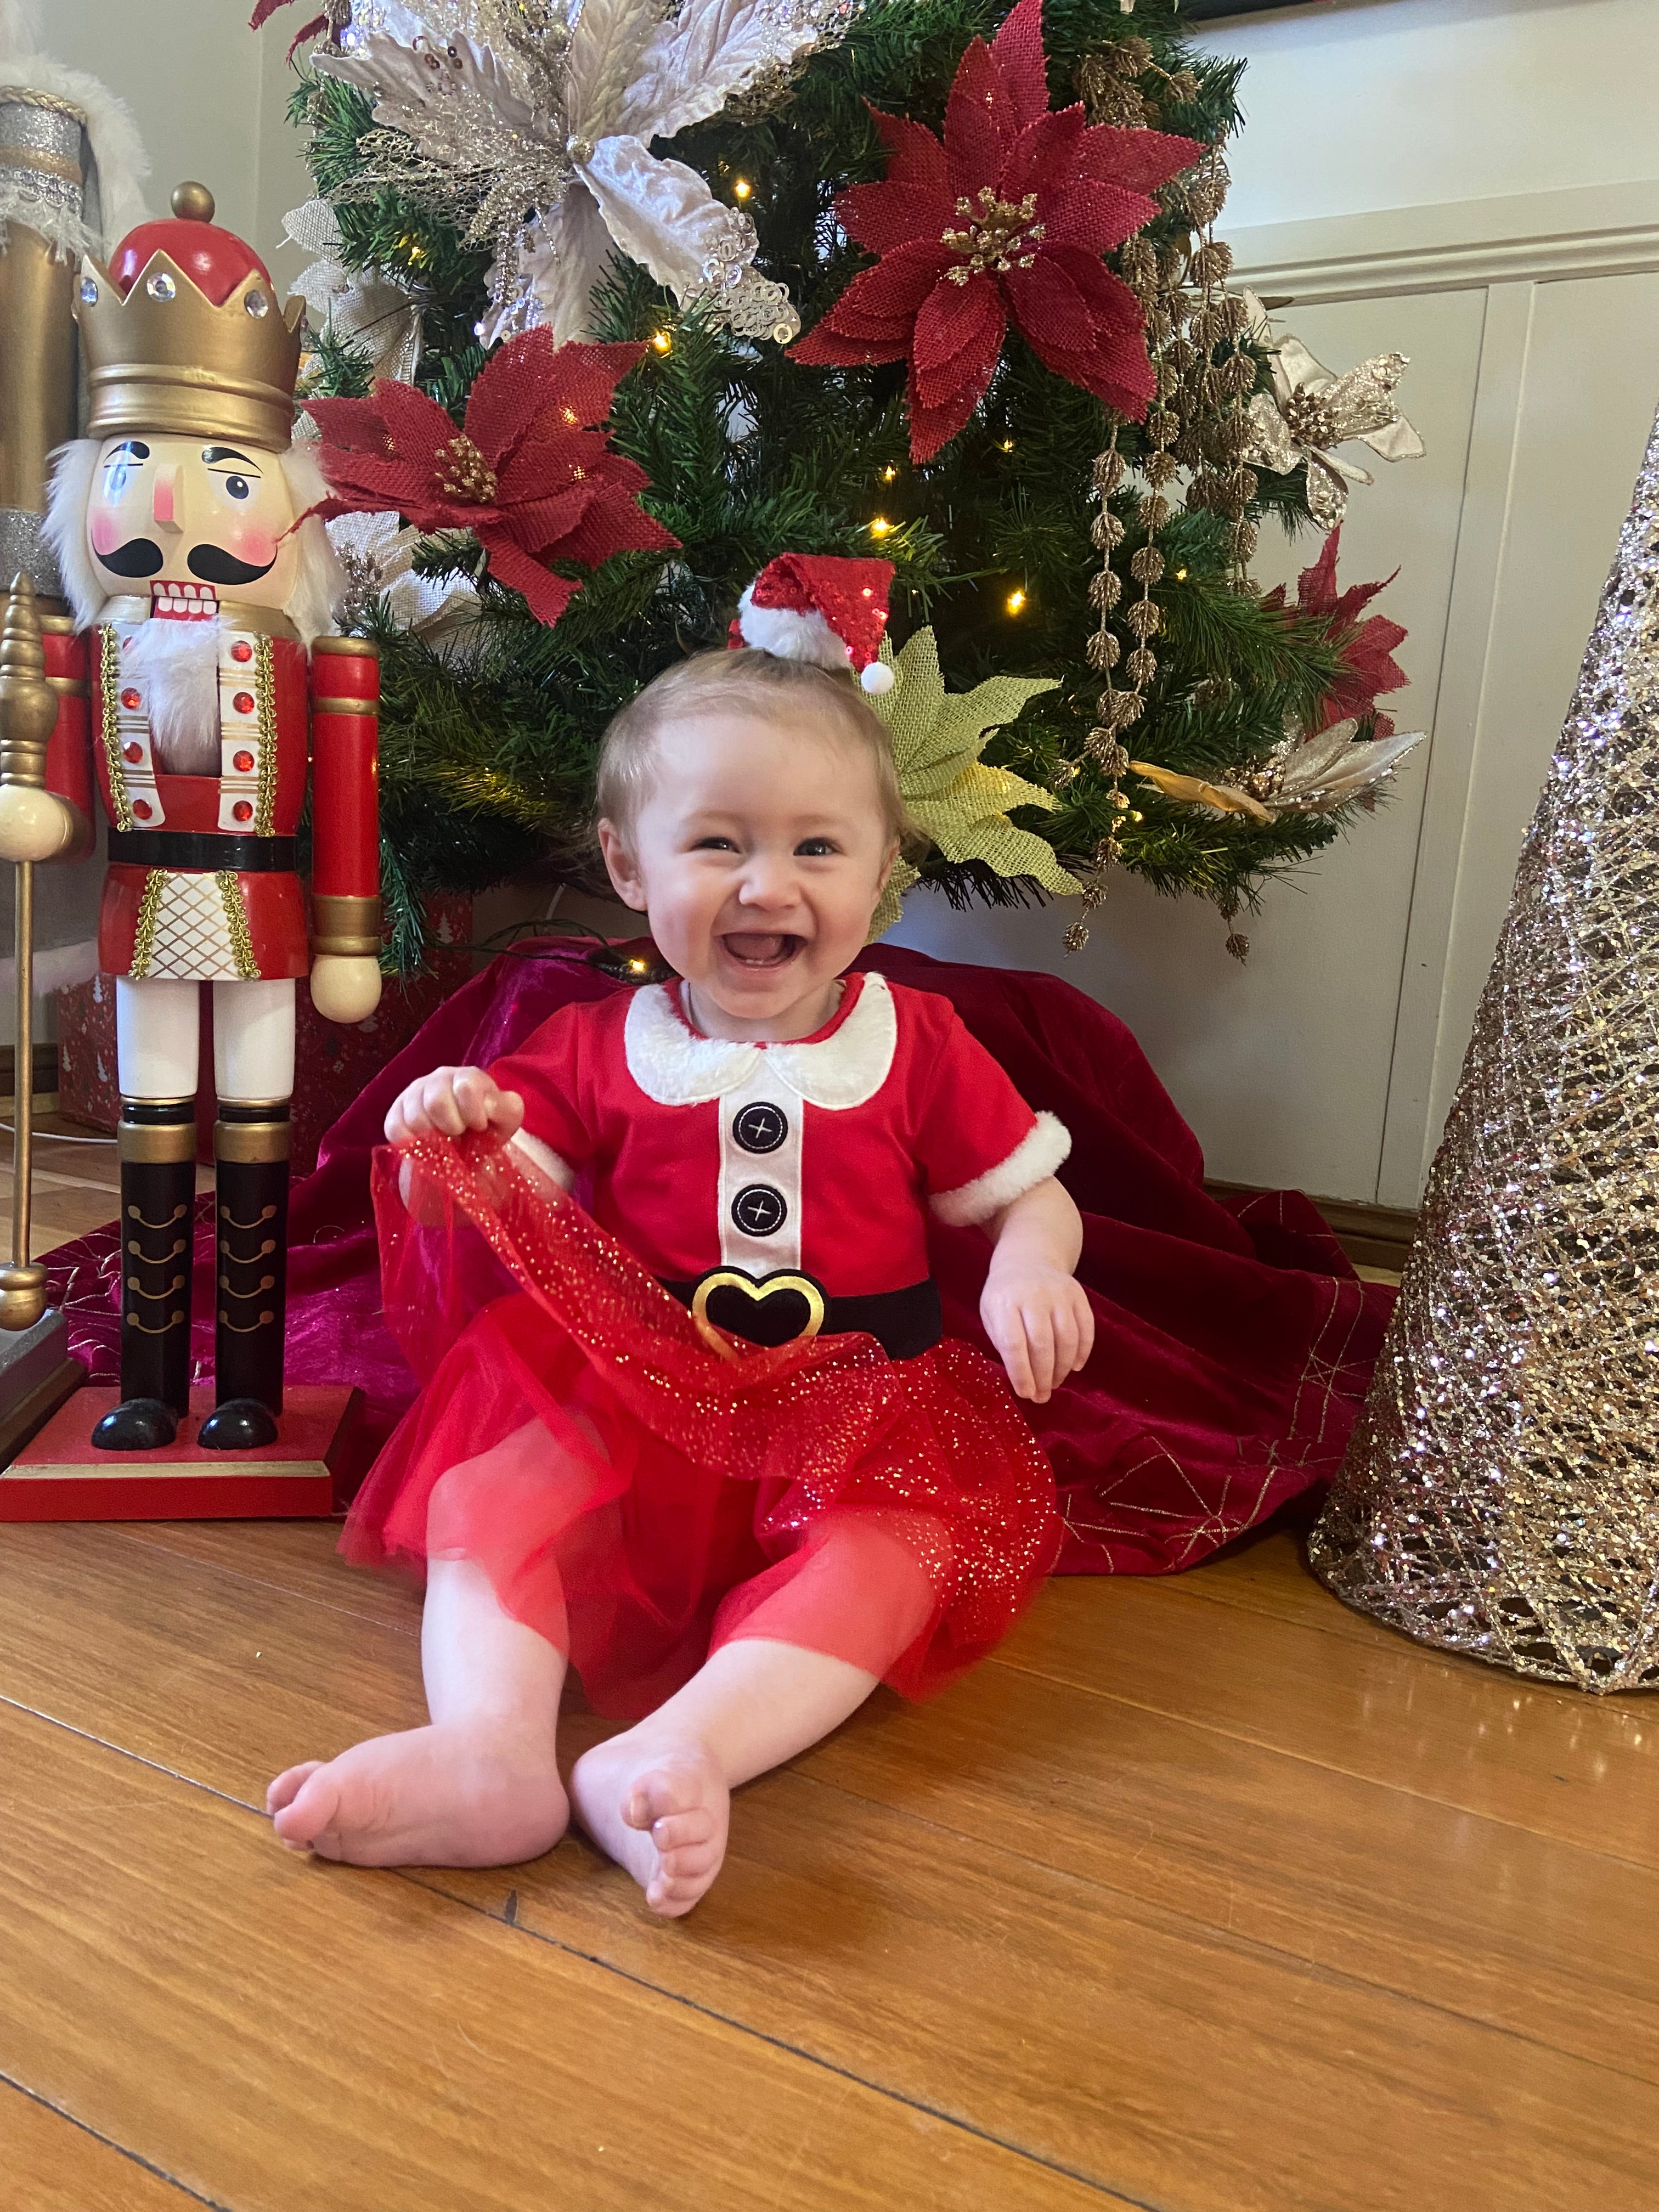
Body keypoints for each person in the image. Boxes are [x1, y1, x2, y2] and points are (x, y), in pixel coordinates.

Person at [266, 557, 1093, 1915]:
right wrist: (445, 1138)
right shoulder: (601, 1046)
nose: (769, 884)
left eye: (817, 848)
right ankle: (490, 1755)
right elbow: (481, 1204)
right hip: (634, 1384)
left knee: (892, 1556)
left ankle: (672, 1755)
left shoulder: (919, 1045)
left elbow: (1023, 1189)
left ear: (883, 873)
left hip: (856, 1403)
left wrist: (1029, 1262)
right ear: (624, 865)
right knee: (485, 1497)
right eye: (719, 844)